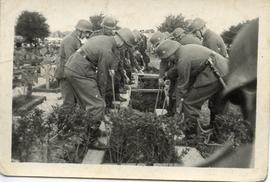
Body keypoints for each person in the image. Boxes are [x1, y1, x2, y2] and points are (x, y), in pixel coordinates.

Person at [195, 19, 258, 168]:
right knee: (216, 106)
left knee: (217, 106)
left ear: (201, 28)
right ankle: (216, 129)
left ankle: (217, 132)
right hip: (225, 73)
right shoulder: (208, 37)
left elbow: (212, 62)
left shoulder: (210, 39)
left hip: (220, 74)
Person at [155, 39, 229, 135]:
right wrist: (167, 75)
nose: (169, 61)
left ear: (171, 54)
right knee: (218, 104)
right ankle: (218, 133)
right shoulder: (184, 50)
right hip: (225, 70)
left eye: (168, 59)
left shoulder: (183, 60)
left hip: (214, 72)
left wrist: (178, 108)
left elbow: (182, 86)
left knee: (190, 103)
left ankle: (191, 135)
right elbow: (177, 69)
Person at [55, 19, 93, 110]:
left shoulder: (76, 40)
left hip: (70, 73)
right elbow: (72, 60)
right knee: (68, 103)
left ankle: (70, 122)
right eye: (86, 32)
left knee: (74, 102)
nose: (87, 35)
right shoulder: (69, 40)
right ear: (79, 30)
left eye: (88, 33)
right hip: (65, 75)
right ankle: (61, 122)